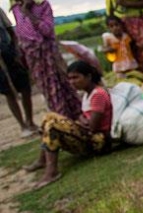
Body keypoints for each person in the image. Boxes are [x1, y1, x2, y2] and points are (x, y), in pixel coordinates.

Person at [3, 0, 81, 121]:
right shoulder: (16, 10)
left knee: (59, 86)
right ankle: (62, 122)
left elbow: (47, 31)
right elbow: (21, 32)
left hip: (48, 54)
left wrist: (29, 12)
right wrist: (21, 52)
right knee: (47, 90)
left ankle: (74, 120)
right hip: (33, 57)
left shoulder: (42, 6)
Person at [25, 61, 113, 189]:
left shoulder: (98, 94)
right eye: (70, 78)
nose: (72, 82)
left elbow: (93, 127)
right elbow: (83, 118)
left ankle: (51, 171)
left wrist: (81, 120)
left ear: (88, 76)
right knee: (49, 118)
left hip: (99, 142)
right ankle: (43, 160)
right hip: (90, 137)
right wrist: (82, 120)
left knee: (53, 123)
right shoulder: (87, 95)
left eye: (76, 77)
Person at [0, 5, 36, 137]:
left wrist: (16, 52)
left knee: (25, 87)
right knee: (8, 92)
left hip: (10, 53)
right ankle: (23, 125)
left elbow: (11, 33)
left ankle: (30, 121)